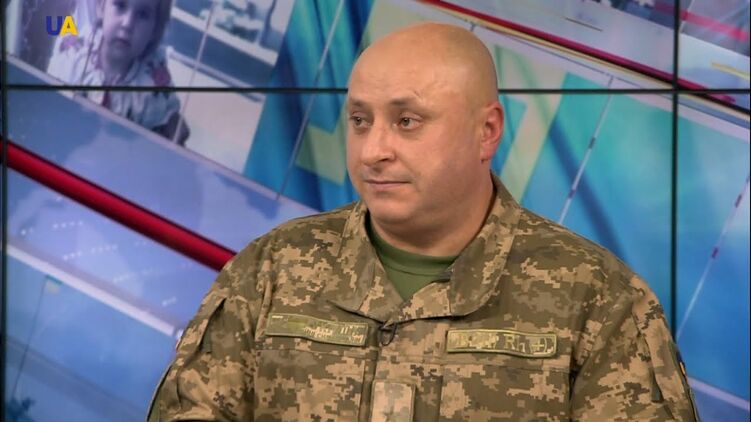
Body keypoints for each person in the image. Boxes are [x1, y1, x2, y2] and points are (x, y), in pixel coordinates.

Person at [148, 22, 699, 421]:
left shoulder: (599, 300)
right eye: (359, 121)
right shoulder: (272, 269)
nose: (373, 151)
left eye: (407, 121)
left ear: (487, 132)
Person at [47, 0, 189, 144]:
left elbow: (172, 124)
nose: (127, 24)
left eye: (143, 14)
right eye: (120, 5)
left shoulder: (155, 83)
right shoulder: (74, 56)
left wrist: (172, 129)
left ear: (155, 30)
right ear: (101, 7)